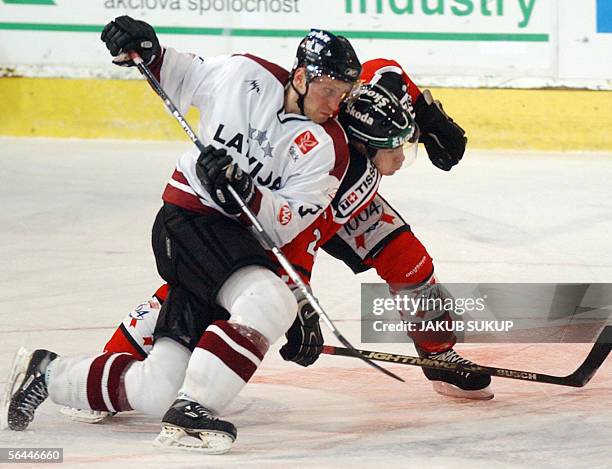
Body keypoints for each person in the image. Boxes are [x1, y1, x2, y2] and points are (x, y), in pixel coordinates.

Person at [3, 16, 361, 454]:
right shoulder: (244, 74)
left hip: (232, 244)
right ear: (302, 76)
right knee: (271, 300)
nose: (335, 103)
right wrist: (144, 48)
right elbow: (181, 74)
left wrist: (247, 191)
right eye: (329, 90)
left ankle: (48, 373)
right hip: (186, 223)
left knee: (156, 388)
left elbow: (284, 223)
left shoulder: (330, 149)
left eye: (344, 95)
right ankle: (195, 407)